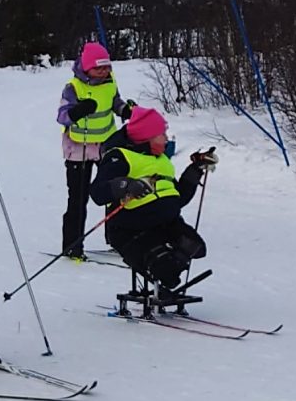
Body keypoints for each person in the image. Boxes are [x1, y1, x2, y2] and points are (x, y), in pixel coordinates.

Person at [89, 106, 217, 304]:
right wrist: (127, 185)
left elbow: (177, 198)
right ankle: (161, 274)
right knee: (164, 267)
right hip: (132, 228)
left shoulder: (162, 161)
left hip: (167, 223)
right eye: (161, 135)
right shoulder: (120, 157)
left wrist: (195, 170)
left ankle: (164, 277)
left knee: (195, 246)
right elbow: (98, 193)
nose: (166, 139)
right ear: (146, 137)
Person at [56, 41, 133, 259]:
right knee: (78, 198)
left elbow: (115, 102)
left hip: (106, 145)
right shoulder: (73, 87)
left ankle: (117, 239)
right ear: (87, 67)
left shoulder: (110, 82)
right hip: (78, 147)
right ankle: (72, 244)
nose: (104, 71)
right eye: (99, 68)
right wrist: (78, 111)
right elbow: (62, 116)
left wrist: (125, 110)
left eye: (107, 67)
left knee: (115, 191)